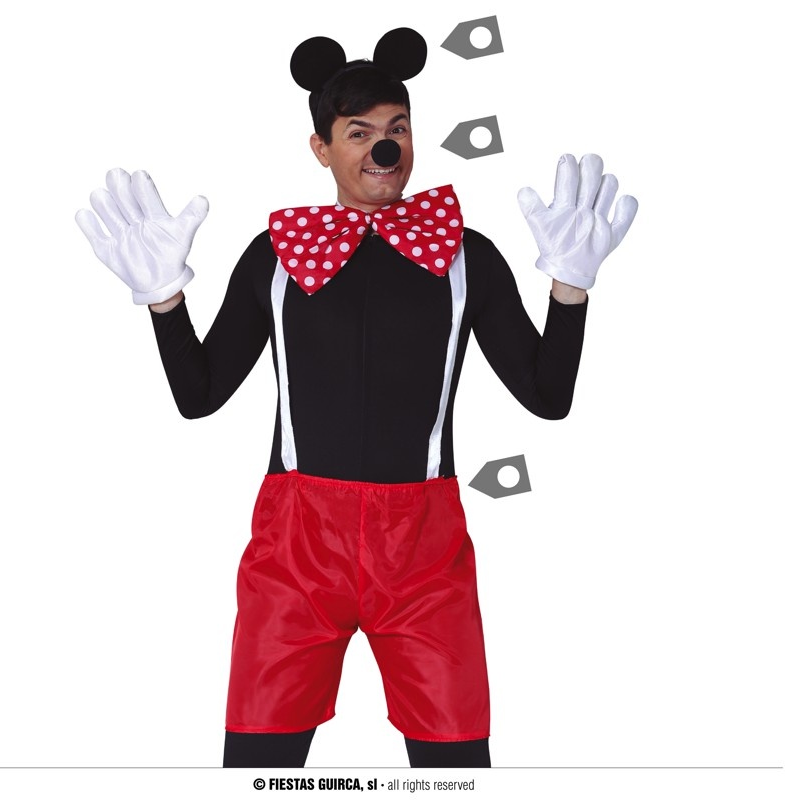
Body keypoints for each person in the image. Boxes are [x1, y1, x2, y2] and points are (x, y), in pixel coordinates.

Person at [75, 27, 637, 769]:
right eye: (360, 132)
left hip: (426, 554)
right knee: (258, 767)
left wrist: (570, 287)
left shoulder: (465, 255)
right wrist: (163, 298)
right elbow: (199, 396)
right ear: (321, 148)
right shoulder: (277, 256)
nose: (384, 148)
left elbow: (547, 396)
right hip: (295, 551)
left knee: (456, 771)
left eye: (397, 128)